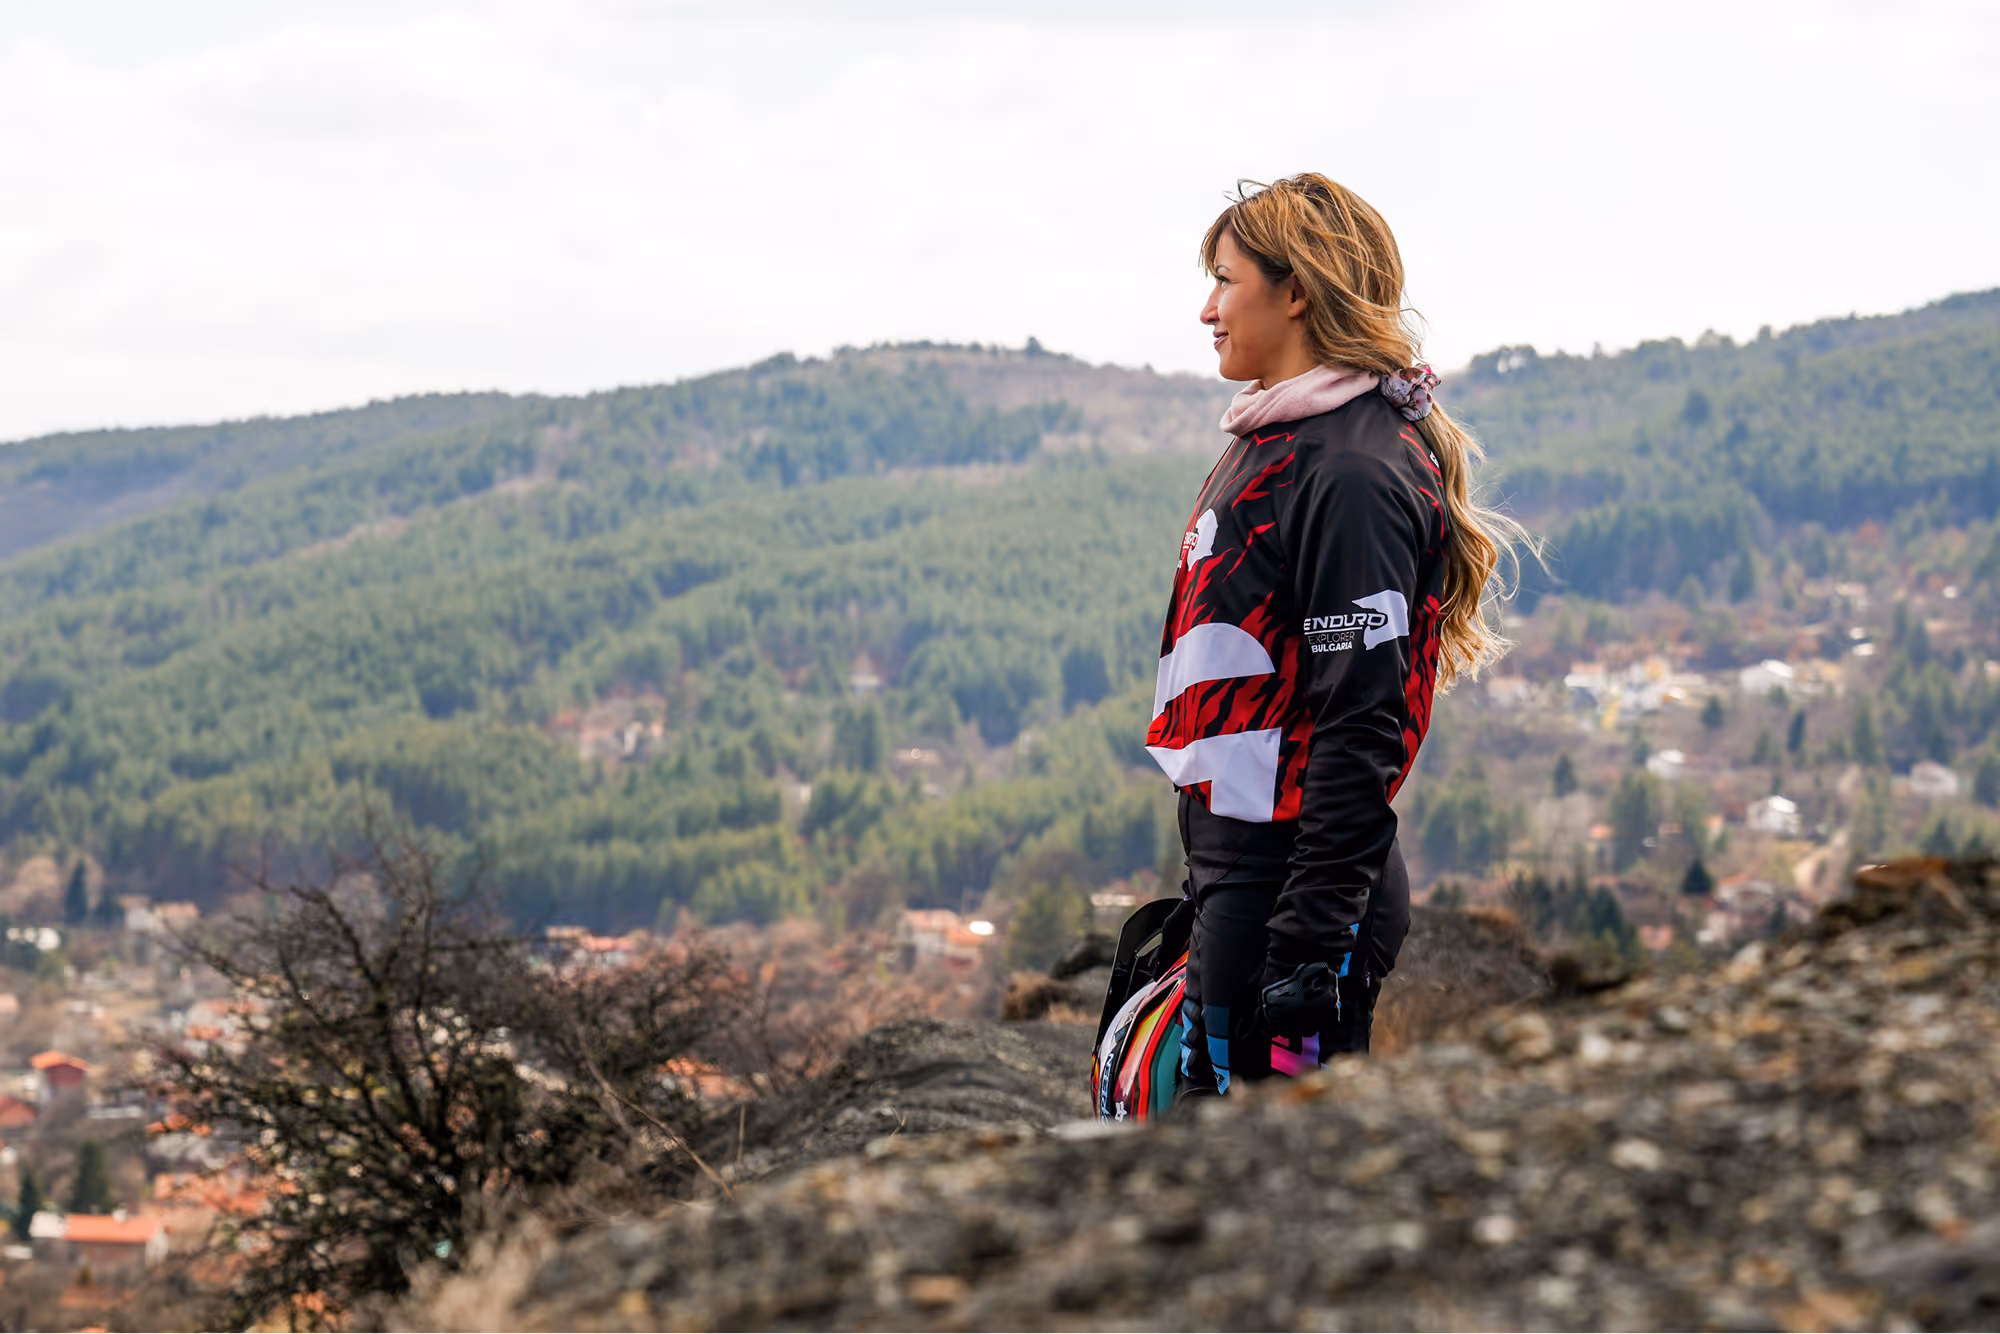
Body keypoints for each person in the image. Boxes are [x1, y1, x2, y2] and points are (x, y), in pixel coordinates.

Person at [1145, 174, 1524, 1099]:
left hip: (1289, 901)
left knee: (1245, 1198)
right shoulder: (1277, 438)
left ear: (1296, 292)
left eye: (1226, 281)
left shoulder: (1351, 471)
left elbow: (1362, 722)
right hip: (1240, 874)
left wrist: (1308, 945)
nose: (1206, 309)